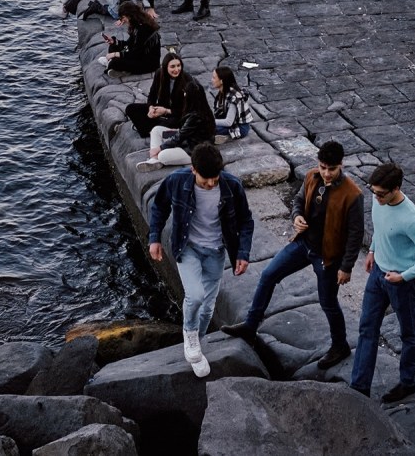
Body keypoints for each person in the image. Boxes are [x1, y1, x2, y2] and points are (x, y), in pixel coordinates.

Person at [224, 141, 363, 370]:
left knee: (328, 302)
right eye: (323, 167)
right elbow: (298, 200)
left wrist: (346, 267)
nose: (326, 173)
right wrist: (296, 217)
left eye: (332, 169)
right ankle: (250, 326)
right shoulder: (311, 176)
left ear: (341, 165)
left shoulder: (353, 194)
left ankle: (340, 345)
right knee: (268, 275)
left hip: (327, 256)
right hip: (302, 244)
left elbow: (356, 235)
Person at [148, 143, 254, 378]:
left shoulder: (231, 186)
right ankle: (190, 336)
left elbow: (246, 221)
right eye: (206, 179)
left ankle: (198, 343)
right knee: (195, 296)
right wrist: (154, 238)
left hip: (216, 251)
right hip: (188, 248)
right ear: (193, 170)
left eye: (215, 178)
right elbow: (159, 207)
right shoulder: (177, 181)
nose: (211, 183)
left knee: (207, 308)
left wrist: (243, 253)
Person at [349, 163, 415, 403]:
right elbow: (380, 229)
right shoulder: (379, 200)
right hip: (378, 272)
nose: (376, 197)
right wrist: (372, 250)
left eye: (381, 194)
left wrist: (404, 276)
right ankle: (359, 387)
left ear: (396, 189)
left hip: (401, 281)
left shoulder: (412, 220)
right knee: (367, 328)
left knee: (409, 333)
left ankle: (408, 383)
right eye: (373, 192)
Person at [101, 2, 160, 73]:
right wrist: (114, 42)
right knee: (113, 46)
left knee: (114, 63)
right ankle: (114, 65)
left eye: (123, 17)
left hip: (147, 63)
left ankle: (112, 64)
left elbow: (135, 54)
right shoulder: (137, 24)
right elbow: (129, 44)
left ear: (129, 16)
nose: (122, 20)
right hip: (139, 55)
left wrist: (115, 54)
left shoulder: (143, 29)